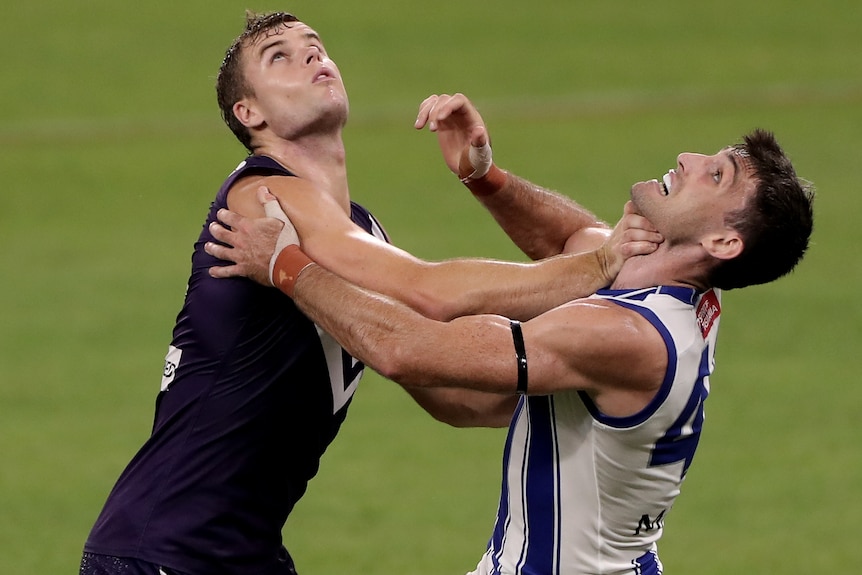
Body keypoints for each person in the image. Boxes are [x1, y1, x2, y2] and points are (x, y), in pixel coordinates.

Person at [79, 12, 661, 575]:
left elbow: (449, 395)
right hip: (162, 550)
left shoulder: (359, 233)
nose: (311, 56)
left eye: (315, 46)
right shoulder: (262, 200)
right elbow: (429, 292)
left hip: (239, 550)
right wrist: (600, 263)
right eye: (279, 57)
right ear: (248, 111)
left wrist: (592, 395)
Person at [204, 112, 814, 573]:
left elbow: (412, 347)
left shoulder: (625, 336)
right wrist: (484, 175)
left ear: (724, 244)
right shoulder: (674, 285)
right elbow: (574, 243)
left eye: (715, 174)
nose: (687, 157)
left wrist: (287, 266)